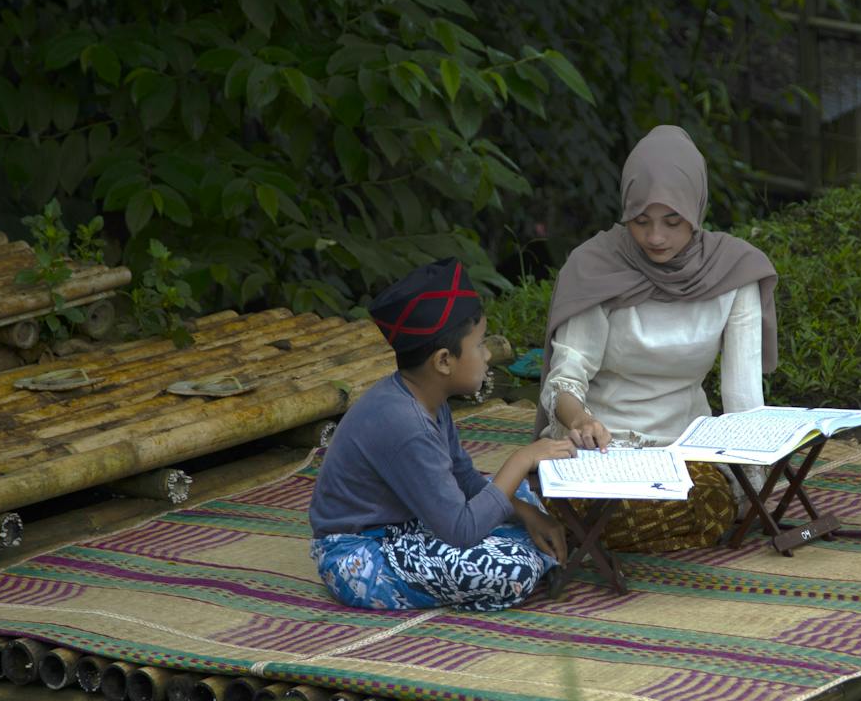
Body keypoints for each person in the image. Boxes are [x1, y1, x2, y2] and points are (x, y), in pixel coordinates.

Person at [537, 125, 779, 552]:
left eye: (673, 221)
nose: (655, 237)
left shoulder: (734, 273)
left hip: (684, 451)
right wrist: (579, 421)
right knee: (598, 507)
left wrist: (753, 487)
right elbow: (566, 378)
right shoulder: (596, 268)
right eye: (640, 220)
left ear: (696, 210)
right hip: (601, 451)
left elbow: (743, 398)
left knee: (701, 500)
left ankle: (604, 537)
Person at [310, 258, 578, 610]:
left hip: (410, 526)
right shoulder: (405, 423)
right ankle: (539, 562)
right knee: (510, 567)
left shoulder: (427, 399)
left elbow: (463, 478)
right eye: (479, 345)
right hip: (360, 553)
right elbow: (462, 530)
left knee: (525, 500)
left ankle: (539, 551)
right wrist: (521, 458)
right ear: (443, 361)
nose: (486, 356)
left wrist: (527, 514)